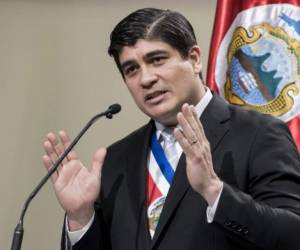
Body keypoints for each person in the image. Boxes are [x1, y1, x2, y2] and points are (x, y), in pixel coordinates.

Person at [43, 8, 300, 250]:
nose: (146, 79)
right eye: (131, 69)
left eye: (157, 60)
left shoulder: (259, 134)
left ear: (194, 59)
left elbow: (293, 235)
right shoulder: (115, 160)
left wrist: (215, 191)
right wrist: (80, 218)